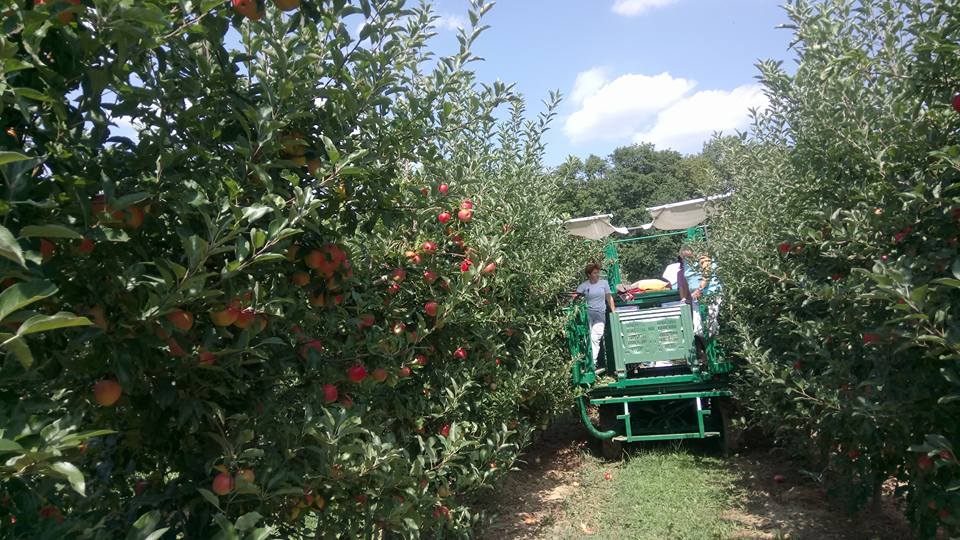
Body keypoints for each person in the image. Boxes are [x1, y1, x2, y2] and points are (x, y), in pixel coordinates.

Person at [575, 263, 616, 365]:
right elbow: (574, 296)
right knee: (587, 337)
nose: (597, 275)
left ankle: (592, 362)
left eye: (598, 273)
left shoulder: (604, 283)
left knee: (595, 336)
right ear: (589, 275)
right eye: (595, 273)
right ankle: (586, 360)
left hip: (600, 314)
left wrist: (614, 312)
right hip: (588, 314)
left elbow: (609, 298)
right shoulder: (584, 285)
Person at [679, 245, 722, 336]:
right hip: (695, 297)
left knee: (711, 324)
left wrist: (699, 289)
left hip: (711, 294)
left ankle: (715, 344)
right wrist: (685, 297)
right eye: (683, 256)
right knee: (698, 330)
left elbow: (707, 275)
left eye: (687, 256)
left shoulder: (704, 259)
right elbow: (687, 281)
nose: (685, 258)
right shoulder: (686, 263)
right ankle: (705, 347)